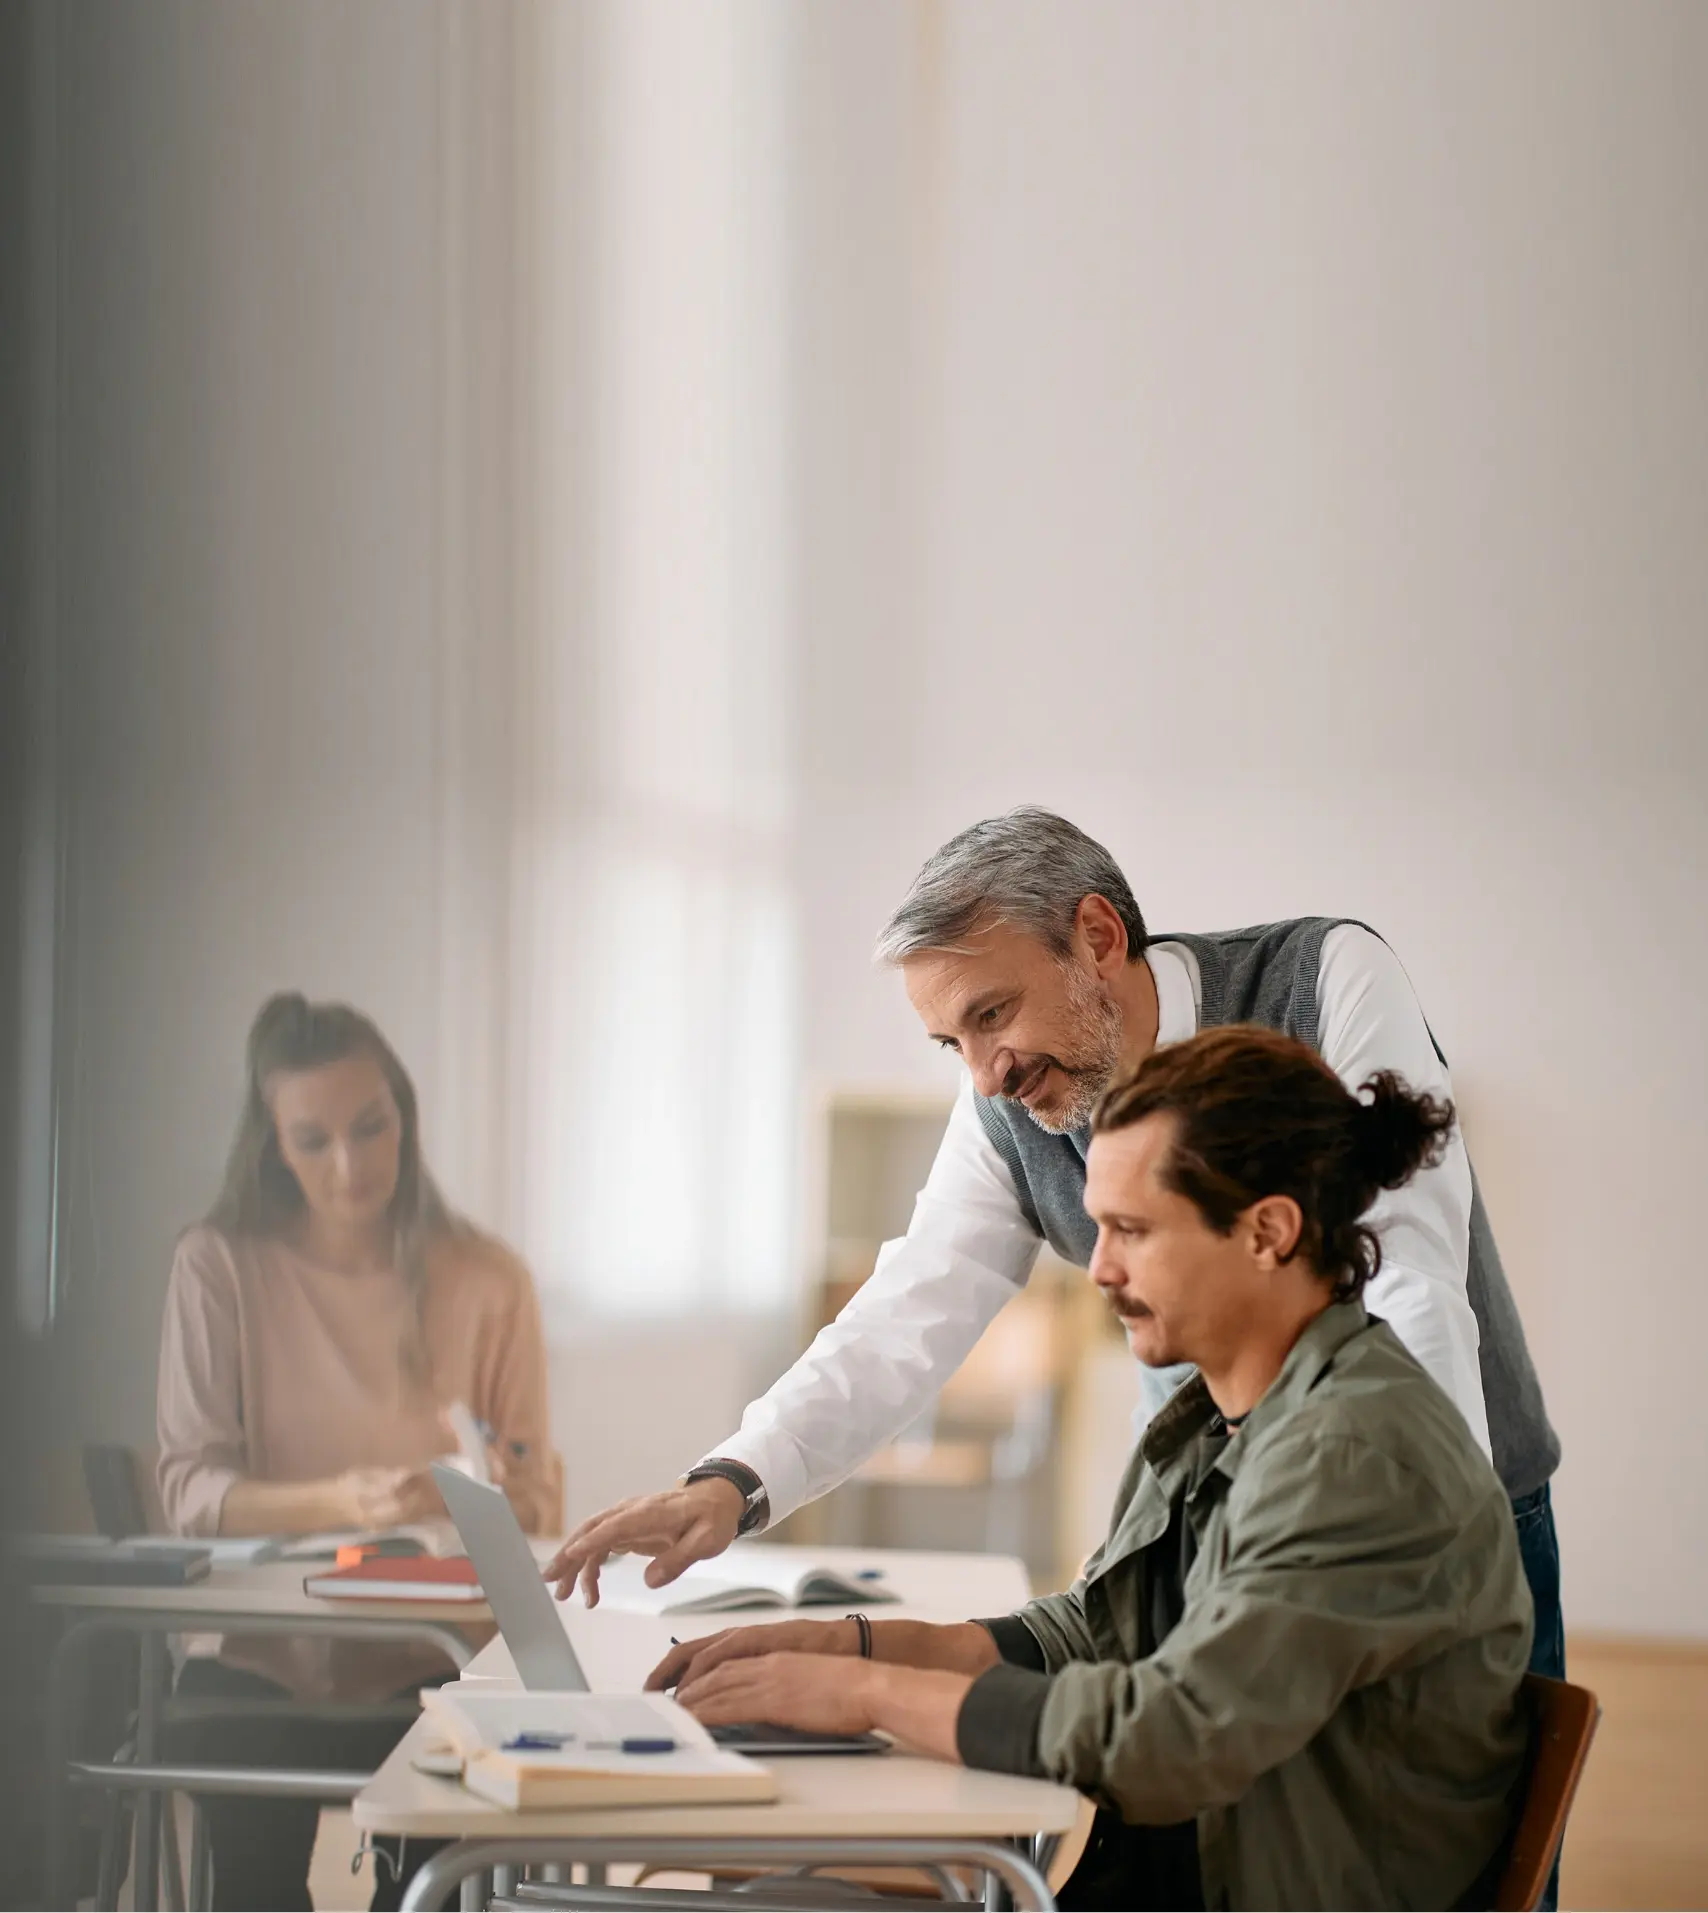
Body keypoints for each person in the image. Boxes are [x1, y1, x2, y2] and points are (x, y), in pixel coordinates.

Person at [546, 807, 1562, 1680]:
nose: (984, 1073)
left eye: (993, 1013)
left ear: (1095, 934)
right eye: (954, 1042)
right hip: (1206, 1536)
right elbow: (913, 1304)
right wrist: (732, 1481)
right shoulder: (1011, 1102)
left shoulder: (1322, 977)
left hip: (1440, 1506)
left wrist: (1431, 1549)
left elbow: (1411, 1279)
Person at [649, 1028, 1536, 1911]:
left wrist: (865, 1693)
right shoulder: (1218, 1418)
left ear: (1268, 1231)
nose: (1099, 1268)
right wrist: (857, 1644)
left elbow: (1172, 1736)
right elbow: (1097, 1632)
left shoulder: (1354, 1455)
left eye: (1133, 1230)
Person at [156, 993, 562, 1911]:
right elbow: (188, 1488)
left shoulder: (489, 1279)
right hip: (256, 1664)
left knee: (432, 1893)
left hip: (435, 1665)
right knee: (252, 1890)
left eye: (372, 1127)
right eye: (313, 1139)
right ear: (270, 1142)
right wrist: (345, 1498)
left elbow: (539, 1502)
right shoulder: (216, 1264)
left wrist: (467, 1495)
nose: (350, 1165)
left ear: (405, 1118)